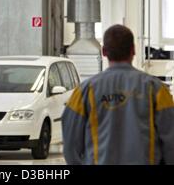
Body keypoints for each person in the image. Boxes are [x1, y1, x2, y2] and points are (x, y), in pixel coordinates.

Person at [62, 24, 174, 165]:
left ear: (104, 51)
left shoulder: (84, 91)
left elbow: (70, 147)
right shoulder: (156, 90)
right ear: (133, 50)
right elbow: (171, 143)